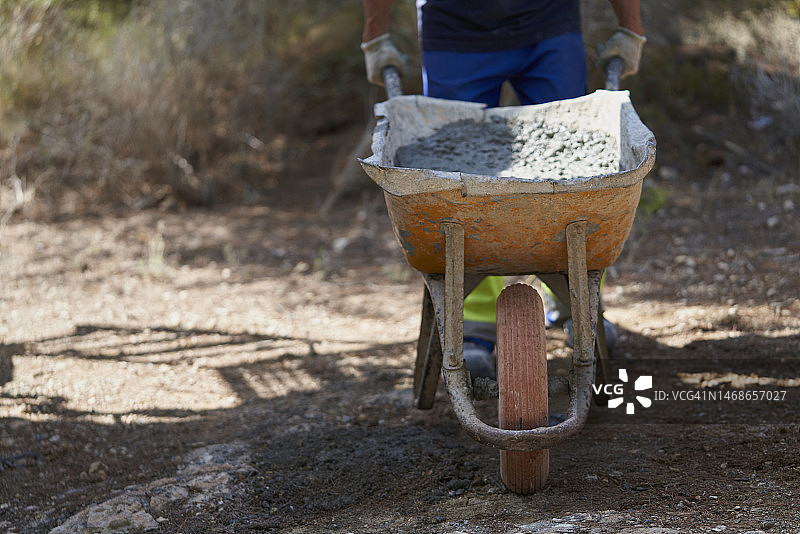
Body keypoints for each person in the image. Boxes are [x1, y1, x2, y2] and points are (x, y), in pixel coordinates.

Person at [361, 0, 646, 379]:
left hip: (549, 22)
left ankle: (577, 302)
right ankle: (475, 320)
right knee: (455, 181)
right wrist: (374, 36)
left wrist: (631, 28)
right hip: (455, 30)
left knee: (575, 169)